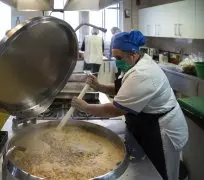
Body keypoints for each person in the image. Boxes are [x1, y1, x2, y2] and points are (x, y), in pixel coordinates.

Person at [72, 30, 188, 180]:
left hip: (162, 130)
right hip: (147, 123)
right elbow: (122, 89)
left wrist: (86, 107)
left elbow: (115, 110)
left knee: (163, 172)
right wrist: (99, 86)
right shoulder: (133, 64)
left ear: (132, 54)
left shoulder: (142, 73)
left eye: (118, 57)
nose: (115, 60)